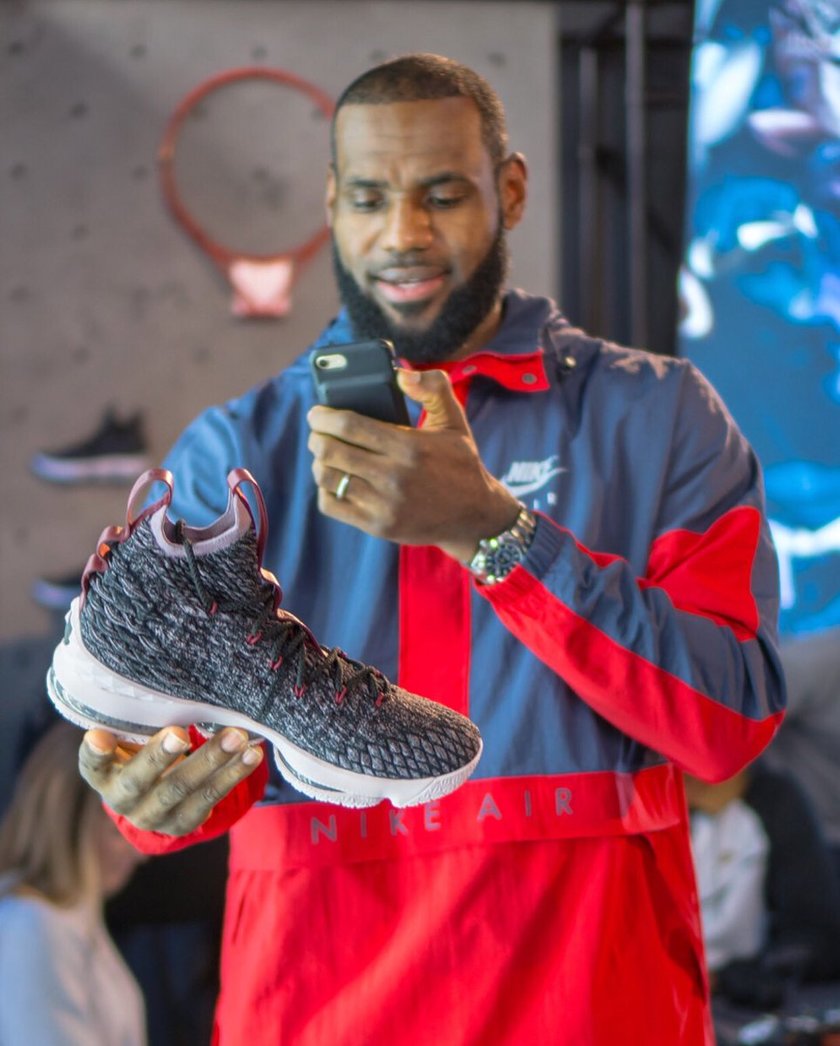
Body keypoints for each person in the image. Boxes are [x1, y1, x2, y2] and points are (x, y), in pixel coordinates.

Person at [76, 54, 787, 1045]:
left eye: (443, 194)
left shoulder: (659, 415)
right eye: (370, 198)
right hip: (316, 1015)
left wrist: (493, 531)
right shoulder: (235, 451)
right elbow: (173, 778)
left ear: (511, 190)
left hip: (596, 1014)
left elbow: (728, 724)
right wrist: (149, 789)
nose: (403, 234)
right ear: (332, 203)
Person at [0, 719, 147, 1046]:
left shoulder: (72, 922)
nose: (139, 855)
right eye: (118, 833)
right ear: (66, 823)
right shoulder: (30, 927)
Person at [686, 763, 840, 1012]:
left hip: (734, 1000)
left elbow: (816, 935)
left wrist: (727, 979)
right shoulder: (628, 805)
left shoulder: (768, 800)